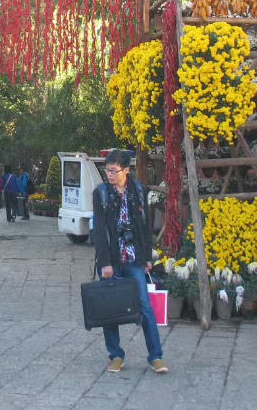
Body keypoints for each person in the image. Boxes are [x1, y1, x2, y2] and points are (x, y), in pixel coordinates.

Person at [90, 149, 168, 375]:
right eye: (107, 170)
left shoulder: (139, 190)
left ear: (126, 170)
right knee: (110, 309)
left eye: (114, 171)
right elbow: (99, 230)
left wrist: (147, 257)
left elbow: (145, 226)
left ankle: (156, 356)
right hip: (112, 260)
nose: (109, 175)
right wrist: (104, 263)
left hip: (134, 259)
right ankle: (116, 355)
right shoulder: (101, 193)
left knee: (145, 307)